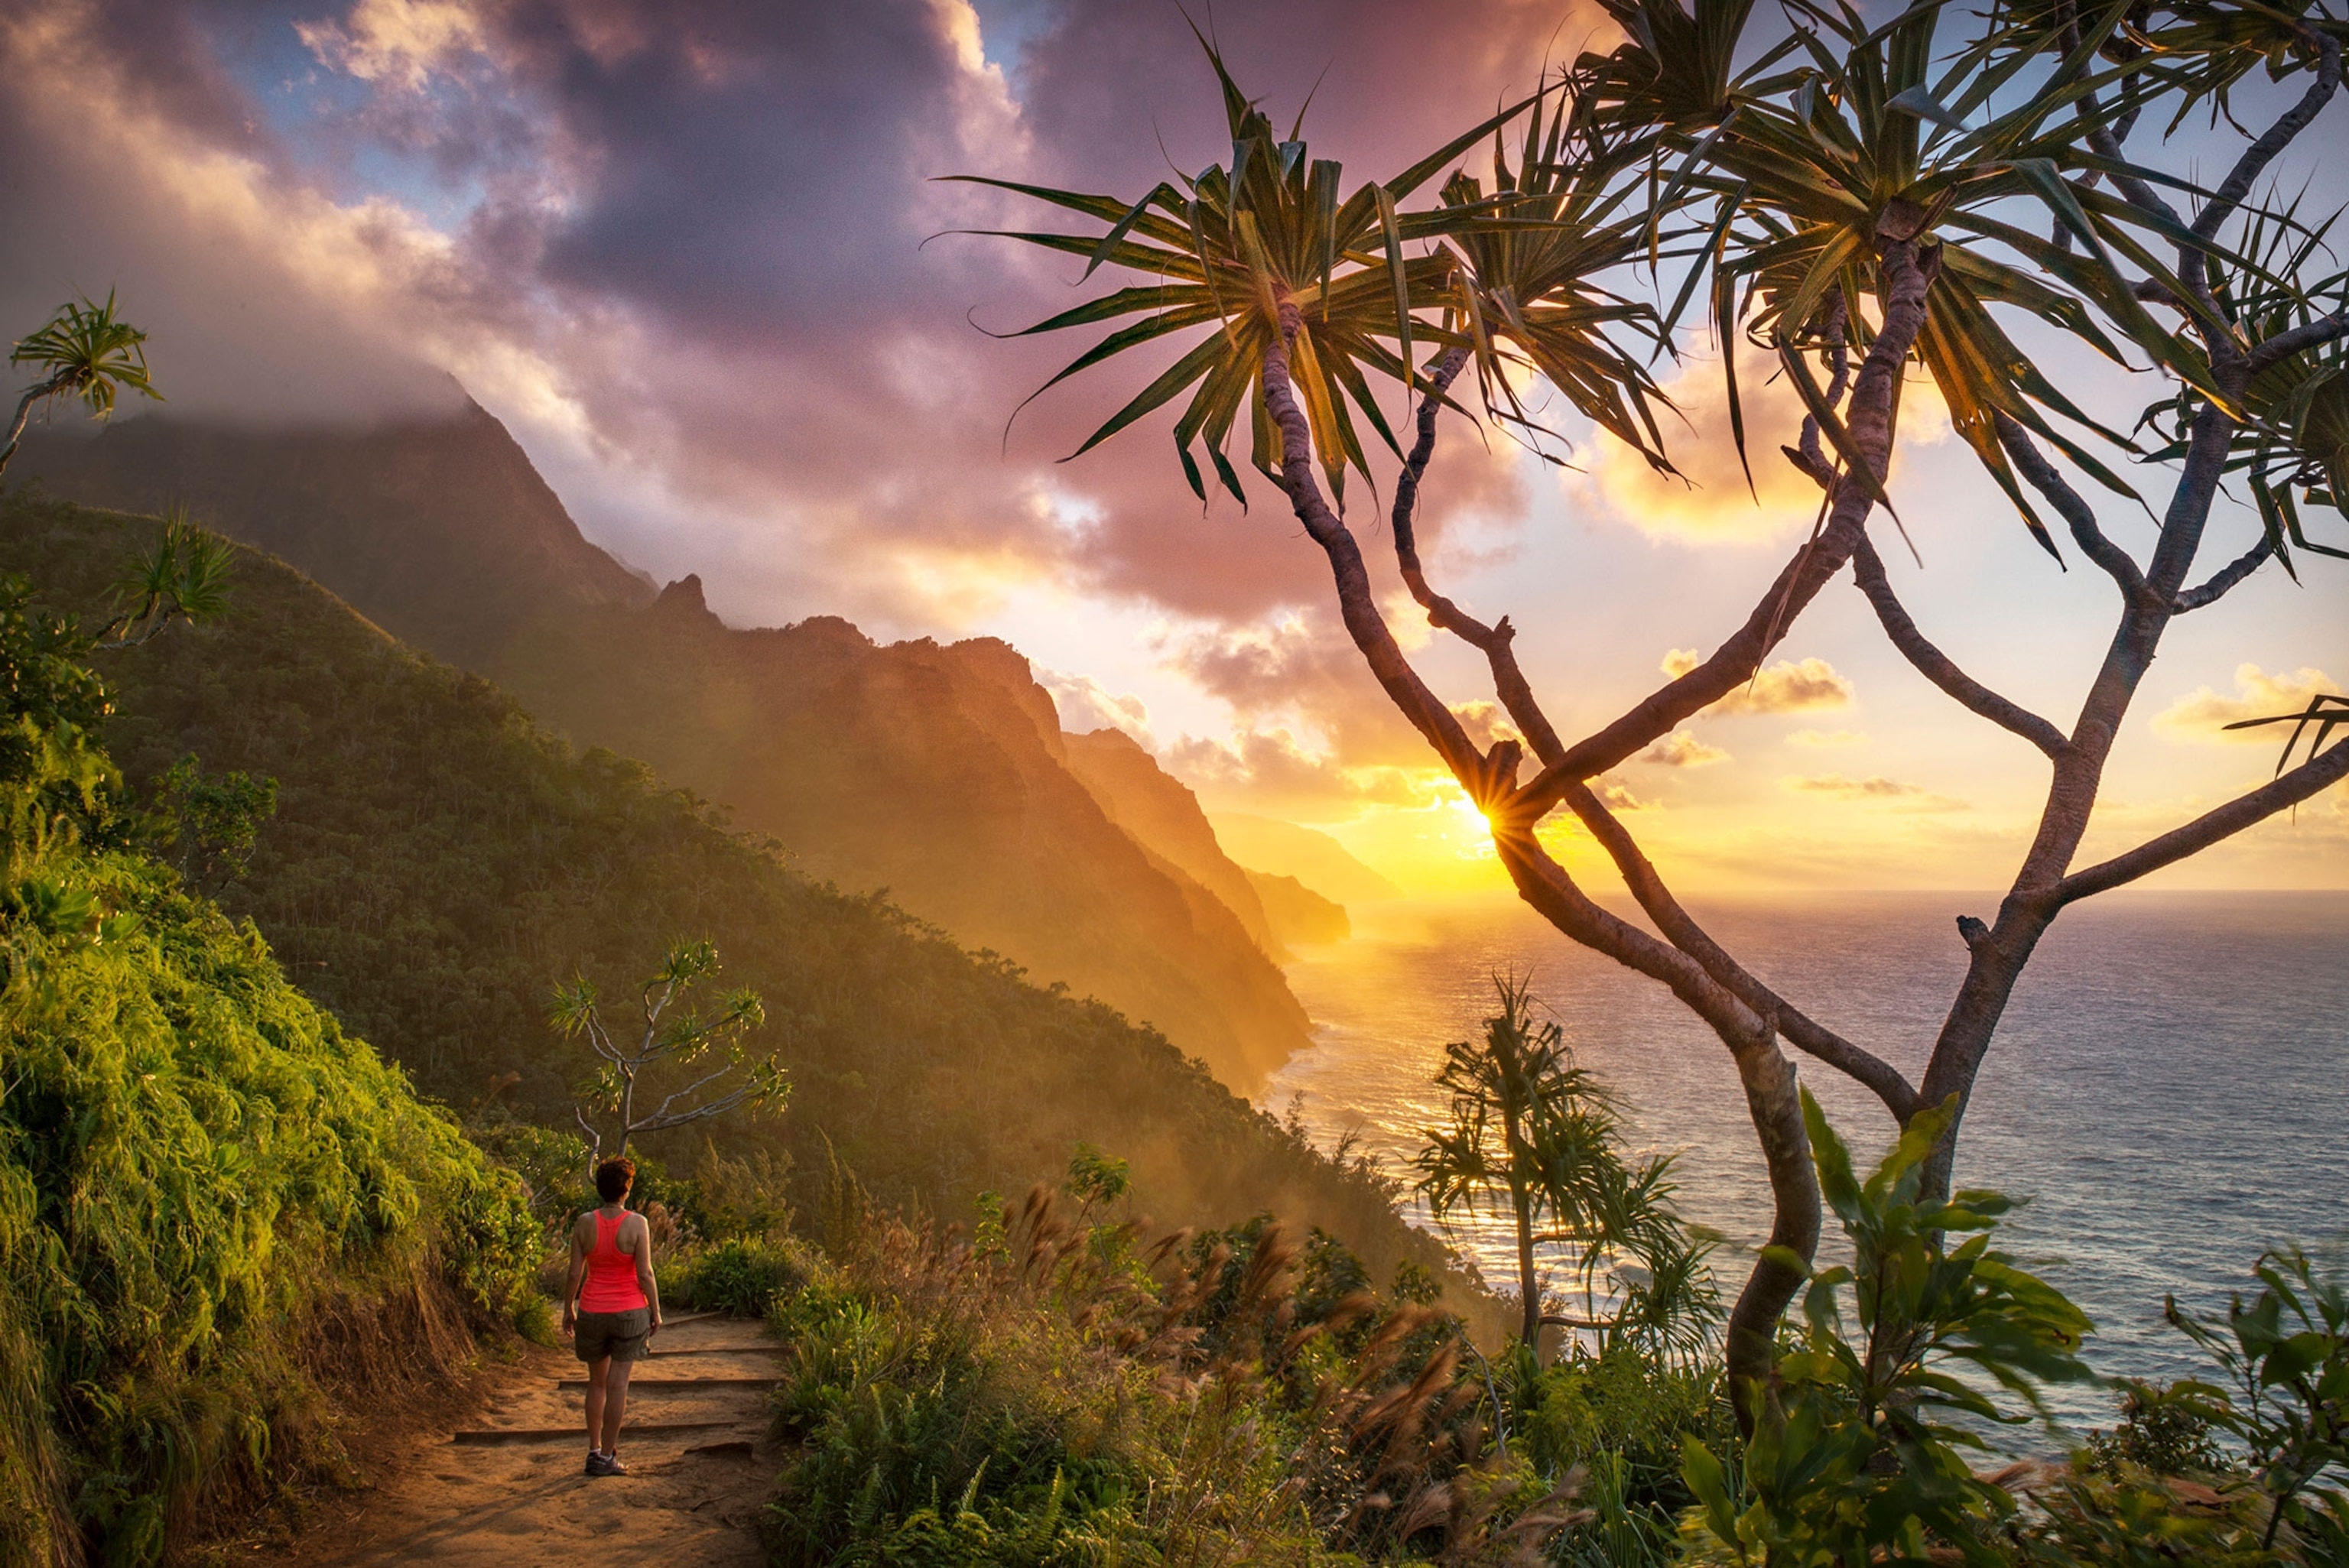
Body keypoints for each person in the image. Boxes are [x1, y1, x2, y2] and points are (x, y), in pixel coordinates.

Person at [562, 1154, 663, 1476]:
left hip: (592, 1310)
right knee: (618, 1385)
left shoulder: (584, 1222)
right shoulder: (637, 1223)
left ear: (600, 1188)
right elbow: (645, 1273)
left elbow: (574, 1272)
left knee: (597, 1384)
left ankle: (593, 1451)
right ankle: (608, 1457)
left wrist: (568, 1308)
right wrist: (655, 1311)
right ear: (626, 1189)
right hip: (629, 1312)